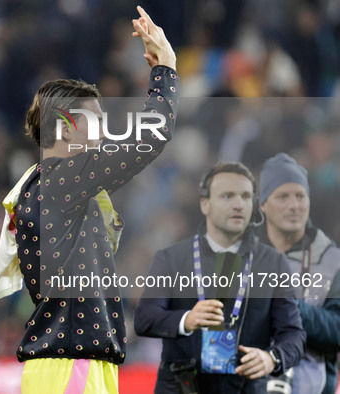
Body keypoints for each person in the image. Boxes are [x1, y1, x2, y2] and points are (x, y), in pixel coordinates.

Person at [0, 6, 179, 393]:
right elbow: (153, 137)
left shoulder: (41, 184)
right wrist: (166, 70)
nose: (104, 134)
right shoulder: (63, 179)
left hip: (64, 364)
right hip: (72, 363)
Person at [134, 161, 305, 393]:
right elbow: (145, 318)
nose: (238, 204)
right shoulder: (171, 258)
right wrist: (187, 319)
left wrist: (272, 358)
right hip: (182, 387)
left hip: (246, 387)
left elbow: (293, 333)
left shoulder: (273, 263)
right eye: (227, 196)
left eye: (246, 196)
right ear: (205, 204)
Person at [258, 152, 340, 394]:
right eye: (283, 196)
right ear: (263, 204)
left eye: (300, 196)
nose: (294, 205)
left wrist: (288, 306)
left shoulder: (332, 261)